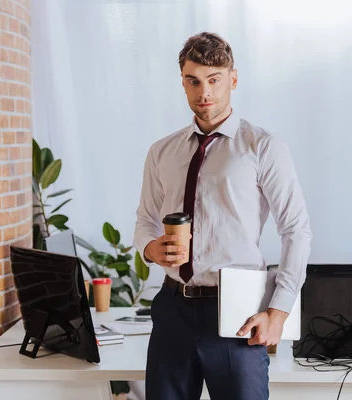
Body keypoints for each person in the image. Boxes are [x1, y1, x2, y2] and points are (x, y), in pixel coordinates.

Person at [133, 32, 312, 400]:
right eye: (193, 81)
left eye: (214, 80)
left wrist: (278, 310)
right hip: (173, 308)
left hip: (236, 314)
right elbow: (144, 221)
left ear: (233, 79)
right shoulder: (161, 151)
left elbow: (296, 230)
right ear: (182, 82)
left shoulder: (262, 147)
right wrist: (151, 249)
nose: (205, 93)